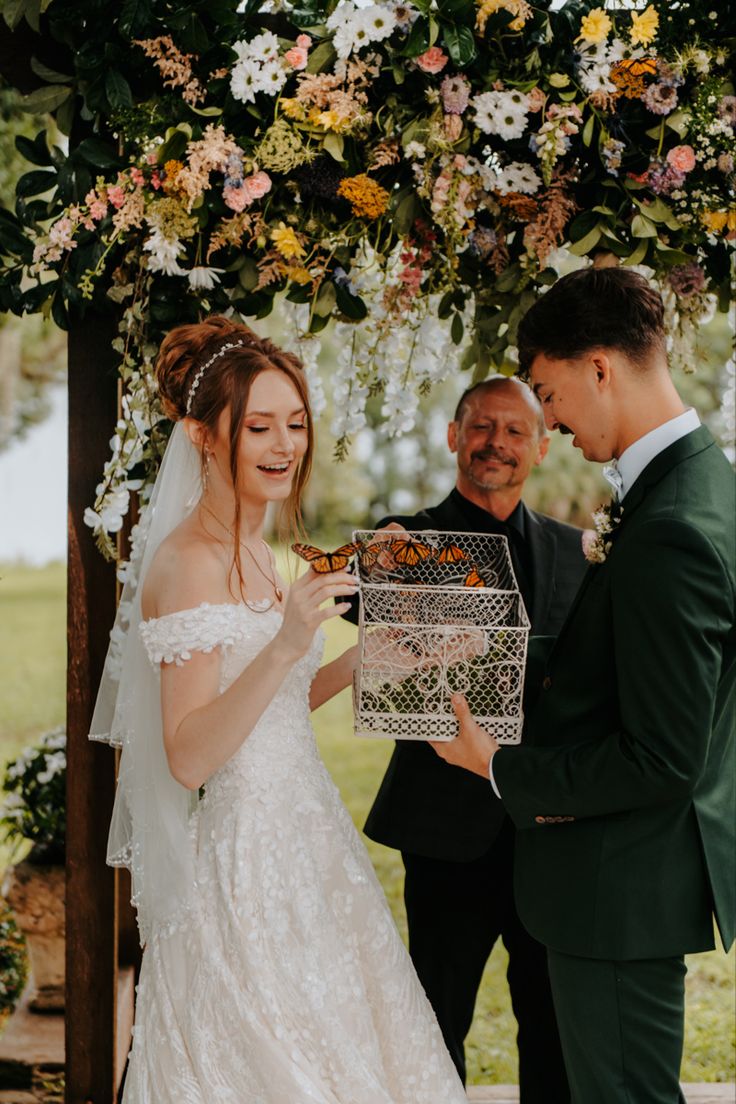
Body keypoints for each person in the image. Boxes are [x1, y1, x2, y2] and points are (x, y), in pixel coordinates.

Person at [90, 315, 467, 1104]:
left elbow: (275, 705)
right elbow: (190, 755)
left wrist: (363, 656)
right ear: (200, 434)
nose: (284, 445)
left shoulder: (261, 550)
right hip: (243, 862)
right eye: (258, 426)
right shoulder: (188, 564)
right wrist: (288, 640)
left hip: (314, 840)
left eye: (295, 424)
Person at [432, 267, 735, 1104]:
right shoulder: (700, 486)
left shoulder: (671, 526)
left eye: (548, 392)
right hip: (627, 884)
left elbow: (663, 755)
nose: (550, 422)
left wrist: (498, 764)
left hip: (618, 890)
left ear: (599, 367)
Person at [361, 376, 587, 1097]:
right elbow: (357, 614)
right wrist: (376, 570)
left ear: (542, 448)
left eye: (516, 431)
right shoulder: (406, 541)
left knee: (552, 1022)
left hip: (547, 830)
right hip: (444, 832)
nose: (497, 444)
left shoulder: (578, 553)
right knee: (433, 1018)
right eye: (482, 428)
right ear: (454, 436)